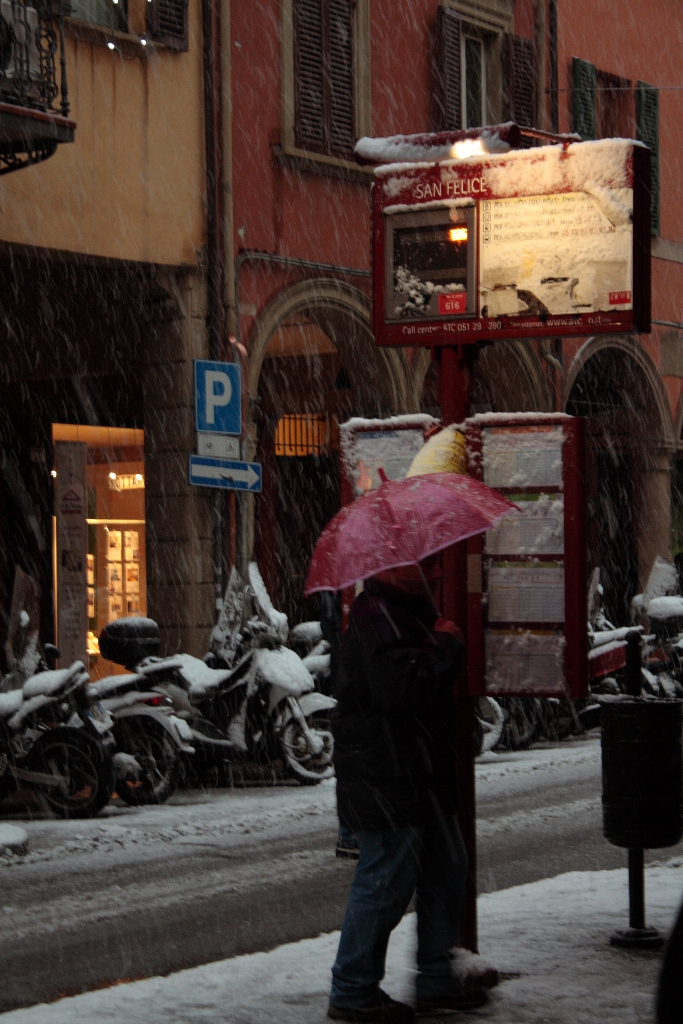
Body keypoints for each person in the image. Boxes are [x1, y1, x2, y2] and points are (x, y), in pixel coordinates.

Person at [328, 563, 487, 1023]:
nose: (423, 570)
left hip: (418, 774)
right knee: (383, 883)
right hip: (390, 776)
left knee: (447, 866)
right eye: (411, 564)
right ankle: (353, 988)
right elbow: (399, 688)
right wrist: (446, 643)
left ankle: (436, 976)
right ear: (388, 570)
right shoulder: (376, 614)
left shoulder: (400, 611)